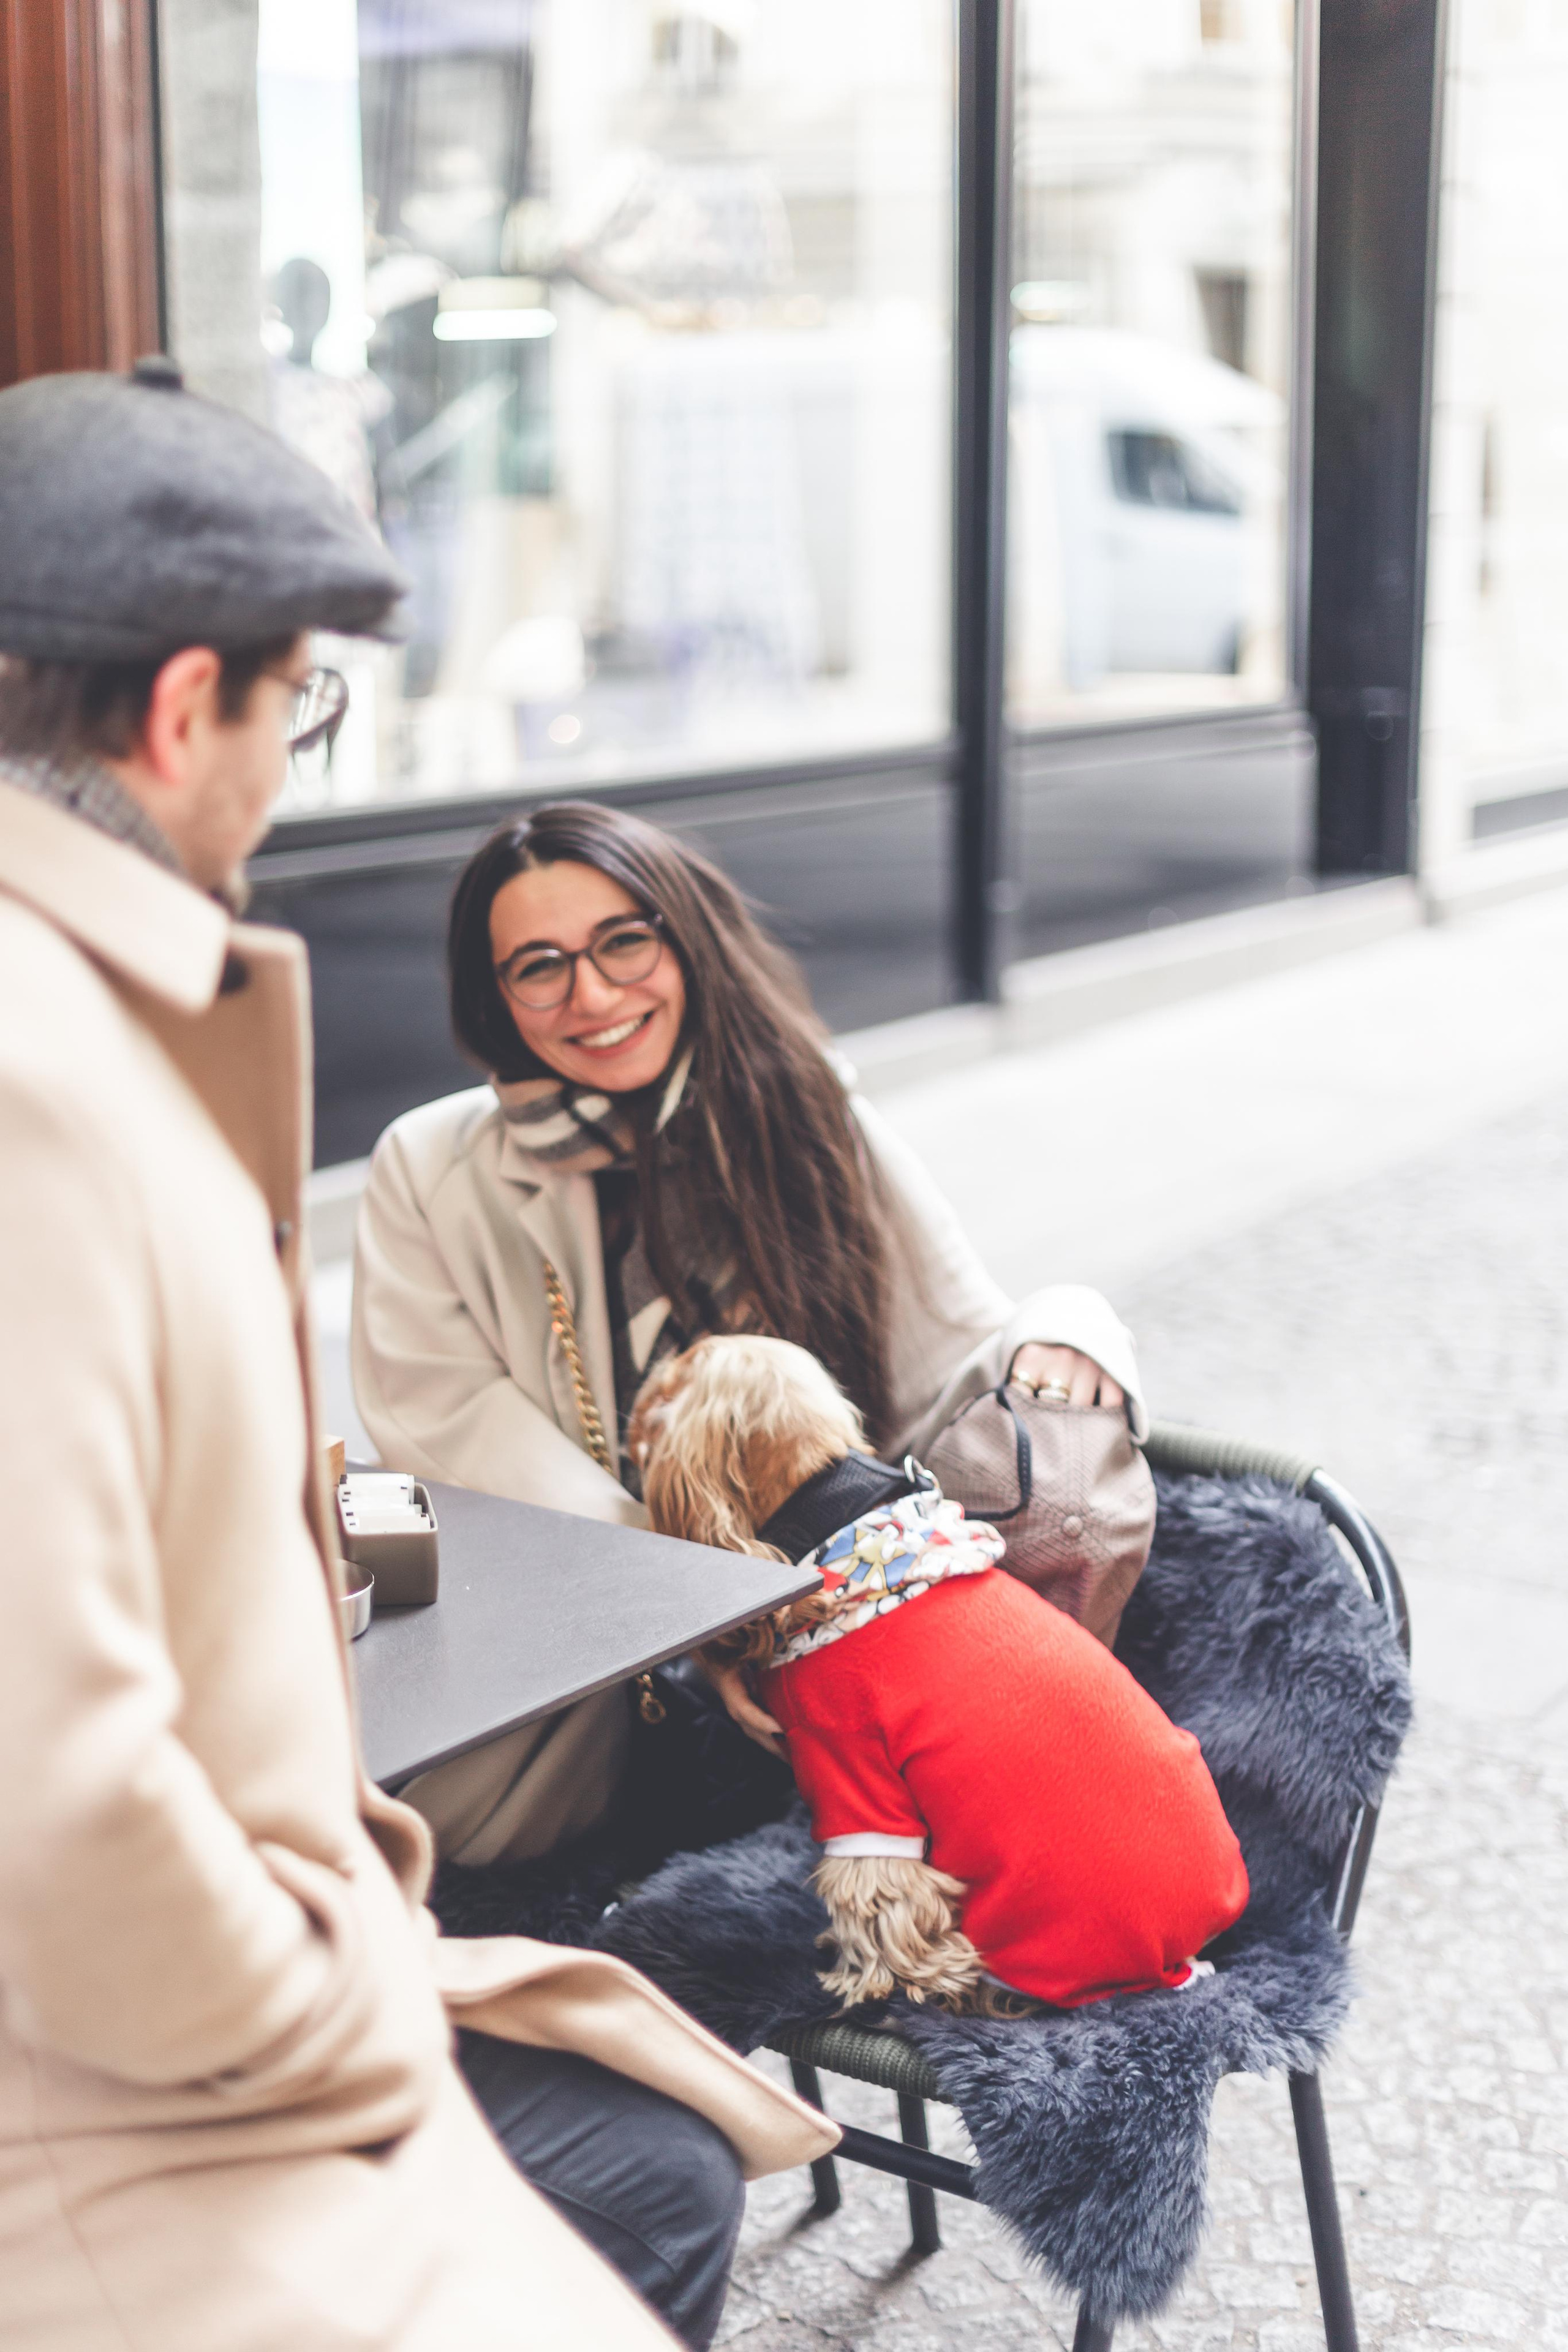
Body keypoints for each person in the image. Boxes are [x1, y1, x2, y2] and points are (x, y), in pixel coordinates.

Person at [0, 363, 832, 2352]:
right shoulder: (48, 1079)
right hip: (147, 2078)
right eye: (301, 704)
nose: (295, 764)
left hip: (242, 1947)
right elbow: (62, 1791)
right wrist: (337, 2015)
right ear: (189, 705)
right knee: (638, 2195)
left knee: (660, 2158)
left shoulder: (88, 1031)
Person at [352, 797, 1147, 1861]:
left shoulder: (807, 1115)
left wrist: (1069, 1329)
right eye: (538, 966)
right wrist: (702, 1612)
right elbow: (449, 1427)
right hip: (580, 1657)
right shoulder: (431, 1166)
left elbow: (943, 1361)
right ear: (495, 998)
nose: (591, 995)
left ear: (689, 940)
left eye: (624, 941)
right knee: (418, 1855)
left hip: (814, 1660)